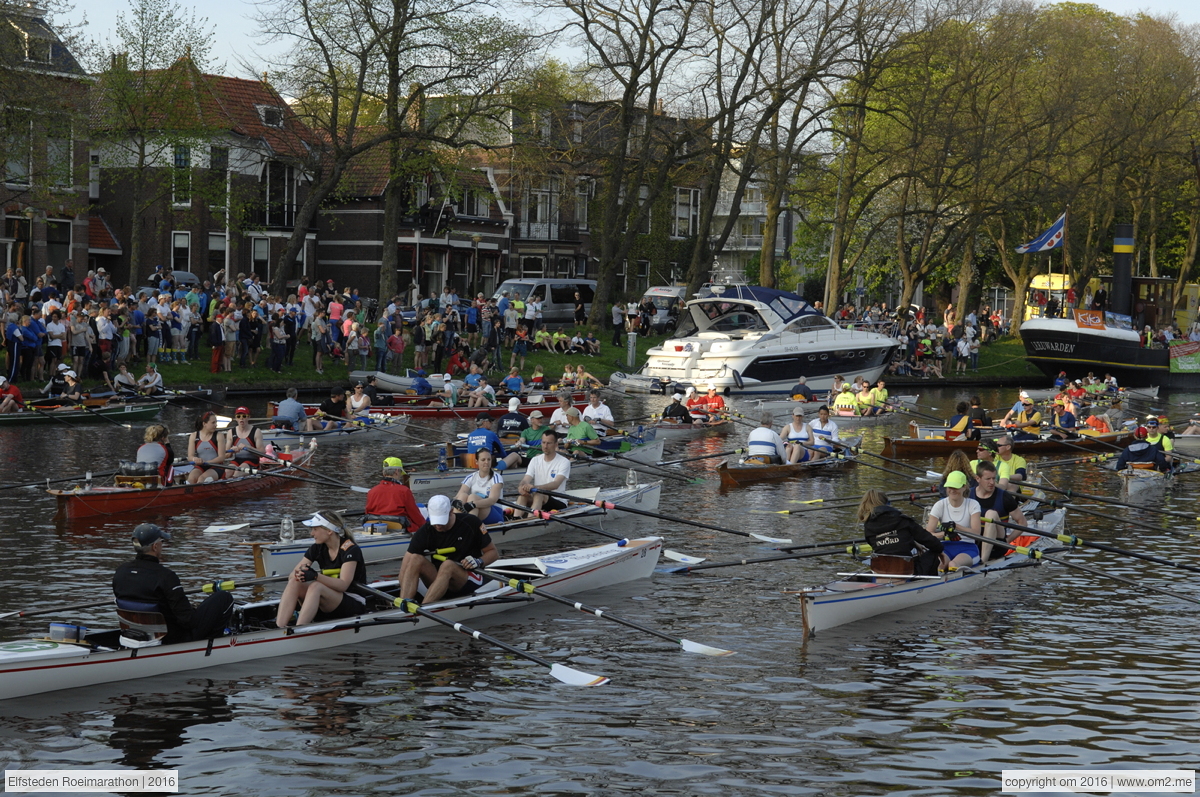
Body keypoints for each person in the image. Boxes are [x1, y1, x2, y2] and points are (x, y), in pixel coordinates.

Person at [113, 524, 234, 644]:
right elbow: (189, 621)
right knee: (224, 598)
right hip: (172, 638)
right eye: (162, 541)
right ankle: (212, 646)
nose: (162, 544)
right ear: (155, 546)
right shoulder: (165, 576)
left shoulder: (120, 572)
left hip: (135, 633)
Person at [398, 495, 499, 605]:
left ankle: (424, 609)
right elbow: (404, 570)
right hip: (439, 580)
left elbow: (493, 552)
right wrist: (404, 590)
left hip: (467, 579)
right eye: (435, 521)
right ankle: (403, 606)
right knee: (415, 558)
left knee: (448, 565)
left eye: (441, 521)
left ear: (451, 512)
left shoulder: (471, 523)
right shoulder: (425, 531)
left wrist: (479, 561)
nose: (438, 526)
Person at [274, 511, 368, 627]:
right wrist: (301, 573)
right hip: (329, 597)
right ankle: (280, 627)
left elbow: (343, 585)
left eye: (315, 529)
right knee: (294, 582)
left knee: (316, 586)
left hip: (352, 600)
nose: (311, 534)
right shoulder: (317, 548)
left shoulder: (351, 550)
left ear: (329, 531)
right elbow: (292, 576)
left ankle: (299, 630)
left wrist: (315, 576)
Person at [859, 489, 950, 577]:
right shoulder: (903, 520)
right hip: (905, 570)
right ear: (888, 504)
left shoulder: (868, 526)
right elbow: (931, 541)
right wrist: (939, 551)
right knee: (933, 553)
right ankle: (927, 586)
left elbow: (883, 546)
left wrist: (913, 543)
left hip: (881, 570)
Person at [969, 460, 1027, 562]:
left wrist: (1007, 541)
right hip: (974, 542)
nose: (992, 482)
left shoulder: (1004, 496)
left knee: (991, 514)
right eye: (988, 479)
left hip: (997, 545)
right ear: (978, 478)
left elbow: (1022, 523)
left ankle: (983, 561)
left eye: (994, 478)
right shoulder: (968, 495)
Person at [925, 471, 983, 568]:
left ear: (964, 487)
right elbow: (928, 534)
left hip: (968, 548)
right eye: (950, 487)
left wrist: (956, 527)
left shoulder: (973, 504)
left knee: (953, 564)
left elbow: (977, 533)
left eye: (956, 487)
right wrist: (945, 534)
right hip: (945, 547)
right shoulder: (939, 505)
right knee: (938, 565)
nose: (952, 490)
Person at [514, 430, 572, 516]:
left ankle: (530, 521)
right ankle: (516, 519)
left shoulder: (564, 462)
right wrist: (521, 486)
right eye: (543, 442)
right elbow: (526, 479)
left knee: (539, 494)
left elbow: (555, 484)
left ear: (556, 445)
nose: (545, 446)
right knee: (523, 495)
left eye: (549, 443)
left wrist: (535, 487)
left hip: (558, 501)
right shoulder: (535, 460)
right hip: (539, 496)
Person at [364, 457, 425, 529]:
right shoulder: (404, 491)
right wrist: (426, 527)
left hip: (375, 526)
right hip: (399, 527)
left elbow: (367, 511)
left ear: (383, 472)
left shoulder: (372, 491)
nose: (400, 475)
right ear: (397, 471)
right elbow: (415, 515)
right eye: (400, 473)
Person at [453, 448, 507, 524]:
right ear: (476, 461)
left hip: (495, 512)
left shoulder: (497, 478)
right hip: (476, 508)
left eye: (489, 459)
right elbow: (458, 496)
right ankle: (458, 527)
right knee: (462, 497)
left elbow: (492, 500)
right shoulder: (471, 477)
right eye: (483, 460)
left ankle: (470, 528)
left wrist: (474, 504)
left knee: (472, 497)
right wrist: (456, 502)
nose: (486, 462)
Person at [186, 411, 226, 483]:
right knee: (191, 480)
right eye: (213, 423)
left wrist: (207, 462)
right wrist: (195, 459)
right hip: (201, 466)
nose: (216, 425)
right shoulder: (194, 436)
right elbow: (190, 457)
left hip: (216, 467)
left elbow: (221, 457)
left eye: (216, 422)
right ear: (204, 424)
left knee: (202, 479)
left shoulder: (219, 436)